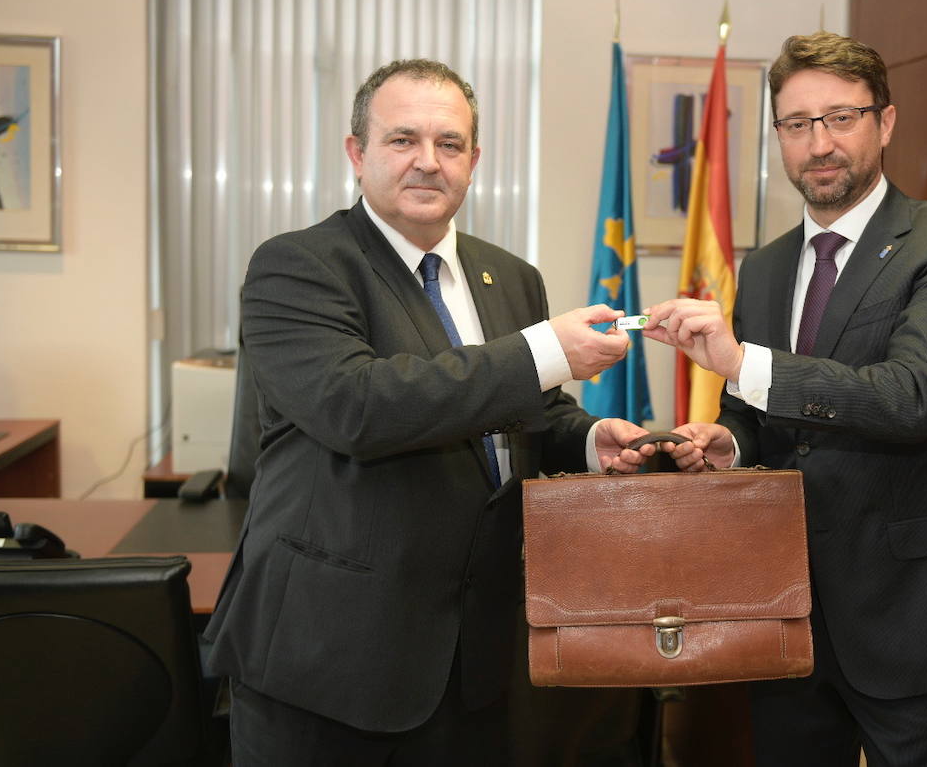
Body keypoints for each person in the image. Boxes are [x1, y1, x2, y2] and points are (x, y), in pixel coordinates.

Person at [202, 58, 649, 765]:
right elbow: (359, 406)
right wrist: (541, 353)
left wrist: (593, 439)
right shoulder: (298, 267)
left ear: (475, 160)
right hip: (329, 662)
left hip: (474, 661)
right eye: (402, 139)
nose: (427, 162)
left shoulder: (512, 277)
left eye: (449, 144)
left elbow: (526, 409)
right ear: (357, 153)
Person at [633, 31, 927, 766]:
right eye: (796, 124)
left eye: (841, 117)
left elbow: (913, 399)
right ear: (777, 135)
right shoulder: (771, 264)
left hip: (914, 616)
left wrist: (744, 361)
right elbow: (760, 415)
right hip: (788, 612)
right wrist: (731, 442)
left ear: (886, 123)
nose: (819, 143)